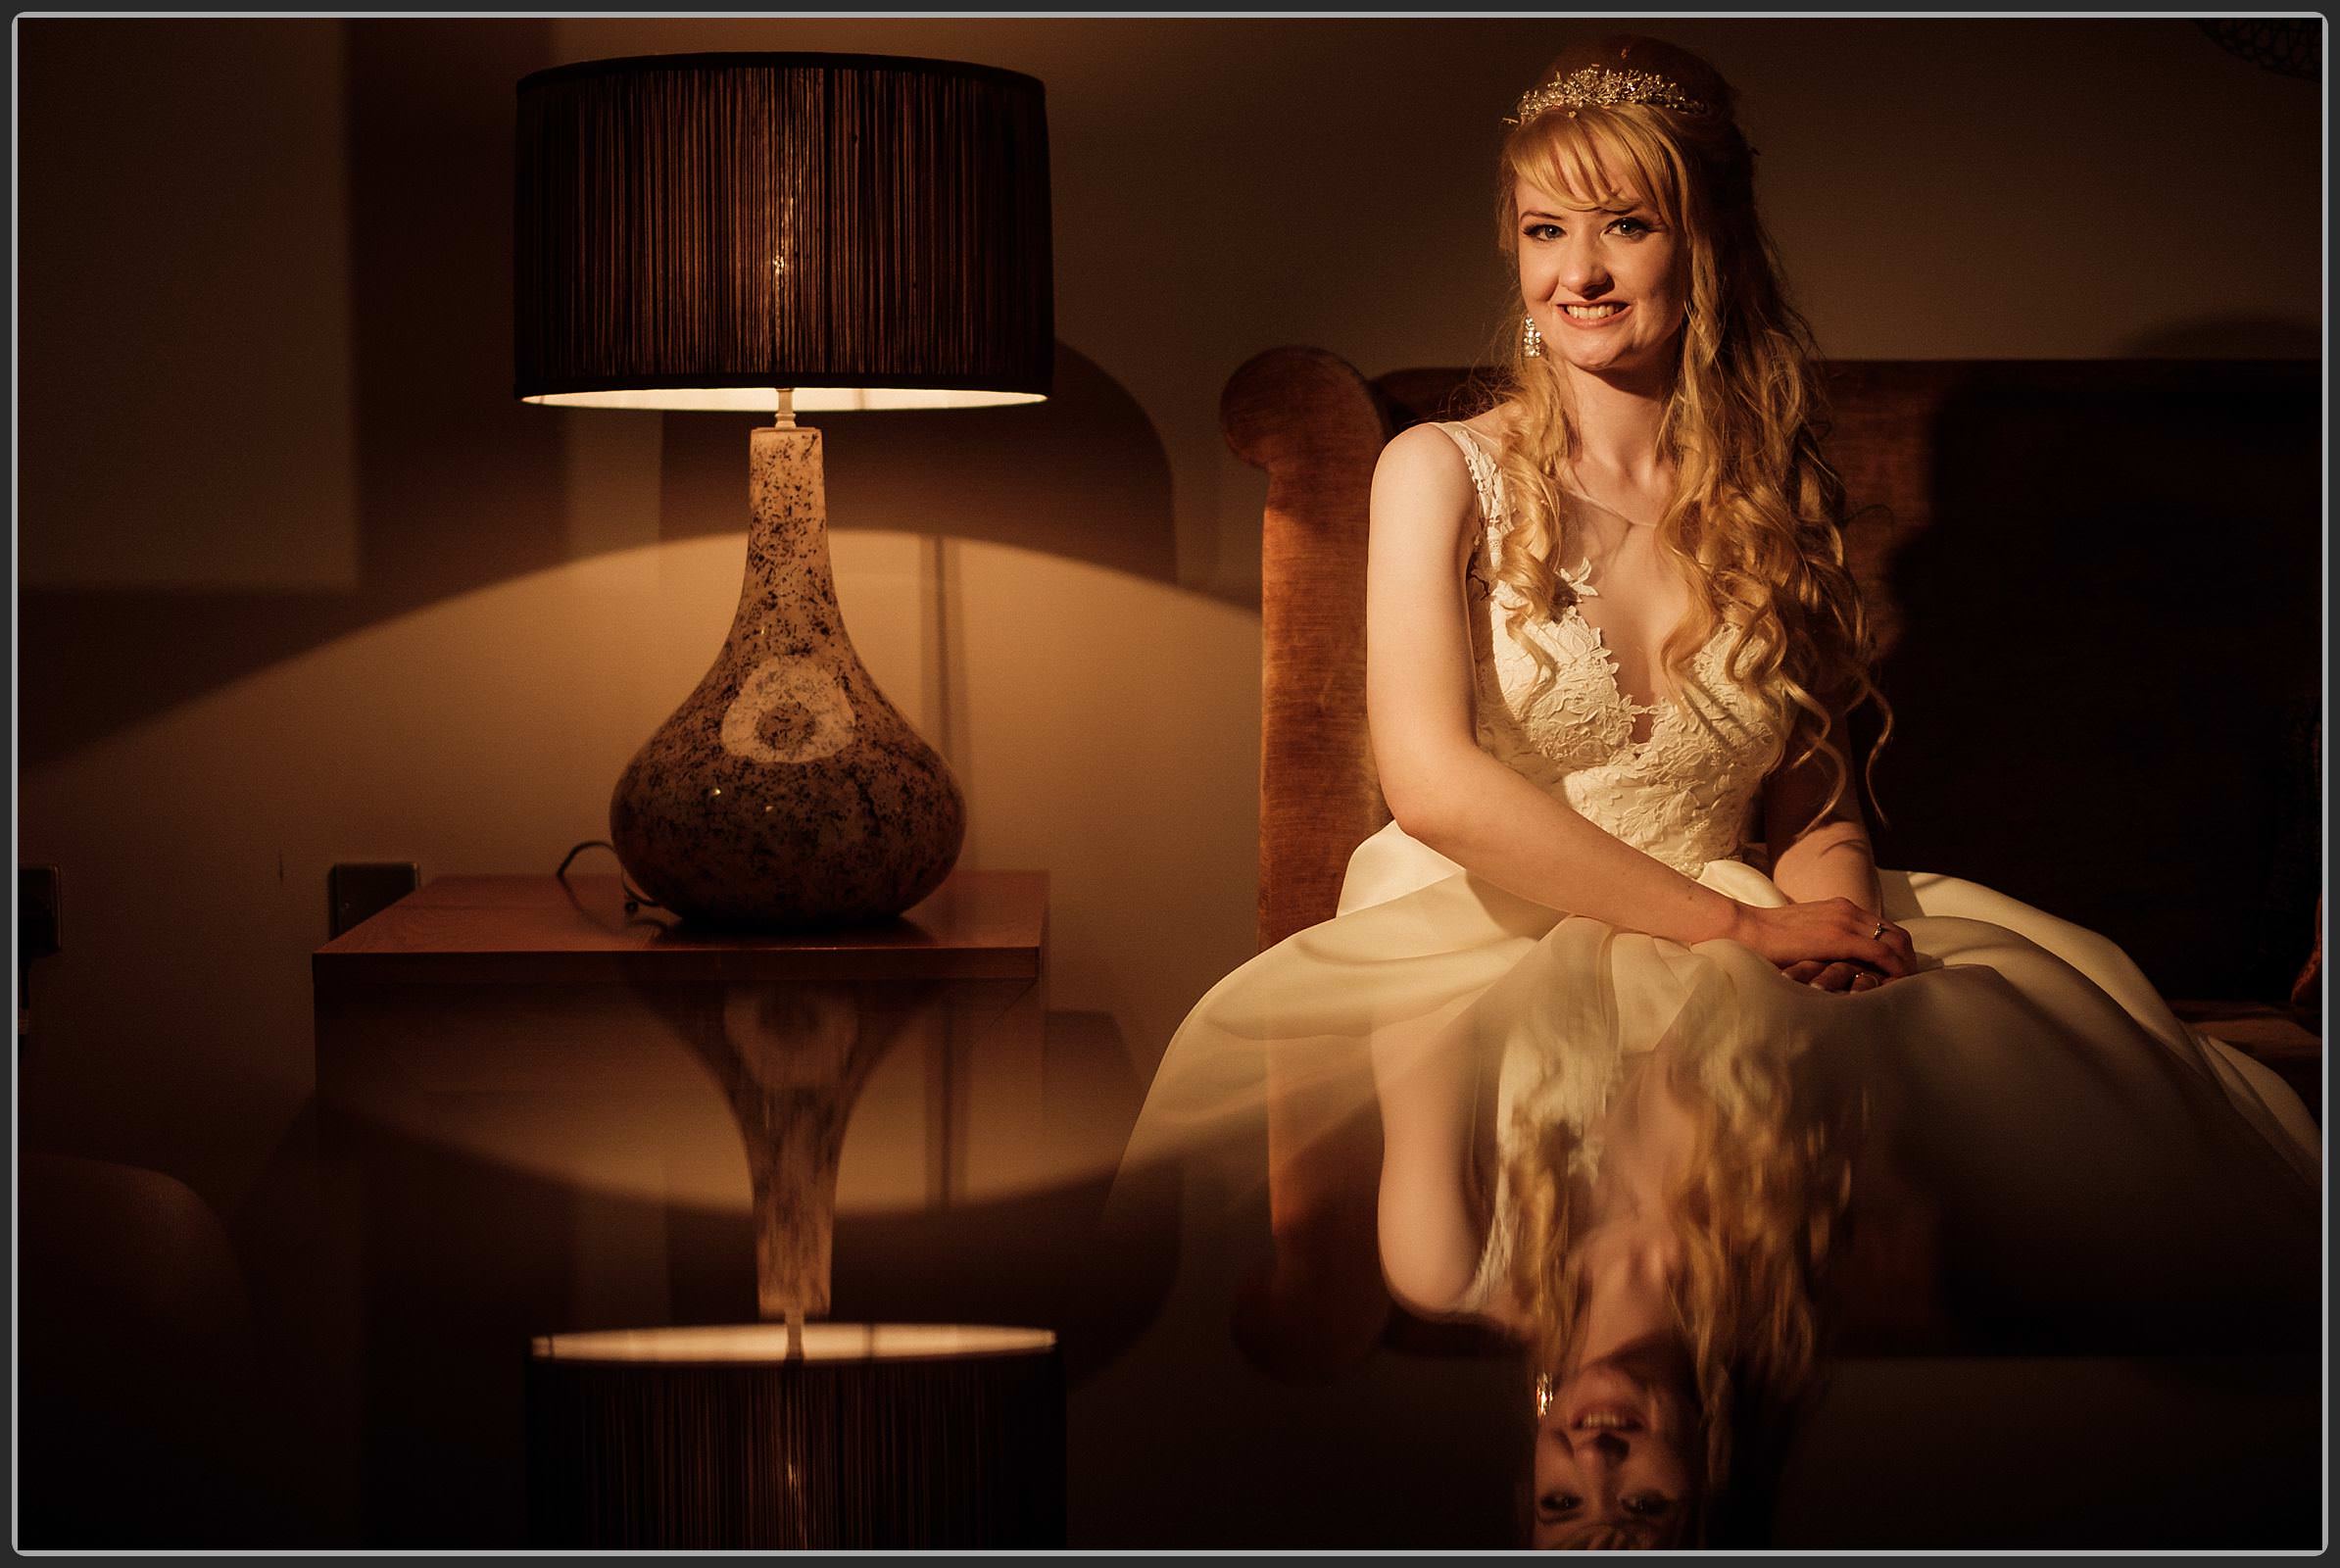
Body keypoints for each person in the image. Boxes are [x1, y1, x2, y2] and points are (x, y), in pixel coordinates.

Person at [1115, 31, 2320, 1544]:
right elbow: (1429, 786)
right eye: (1548, 230)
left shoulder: (1766, 486)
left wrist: (1833, 926)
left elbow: (1814, 805)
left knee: (2072, 1065)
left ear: (1709, 241)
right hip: (1476, 916)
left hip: (1737, 923)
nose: (1582, 273)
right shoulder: (1438, 469)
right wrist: (1738, 934)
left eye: (1627, 223)